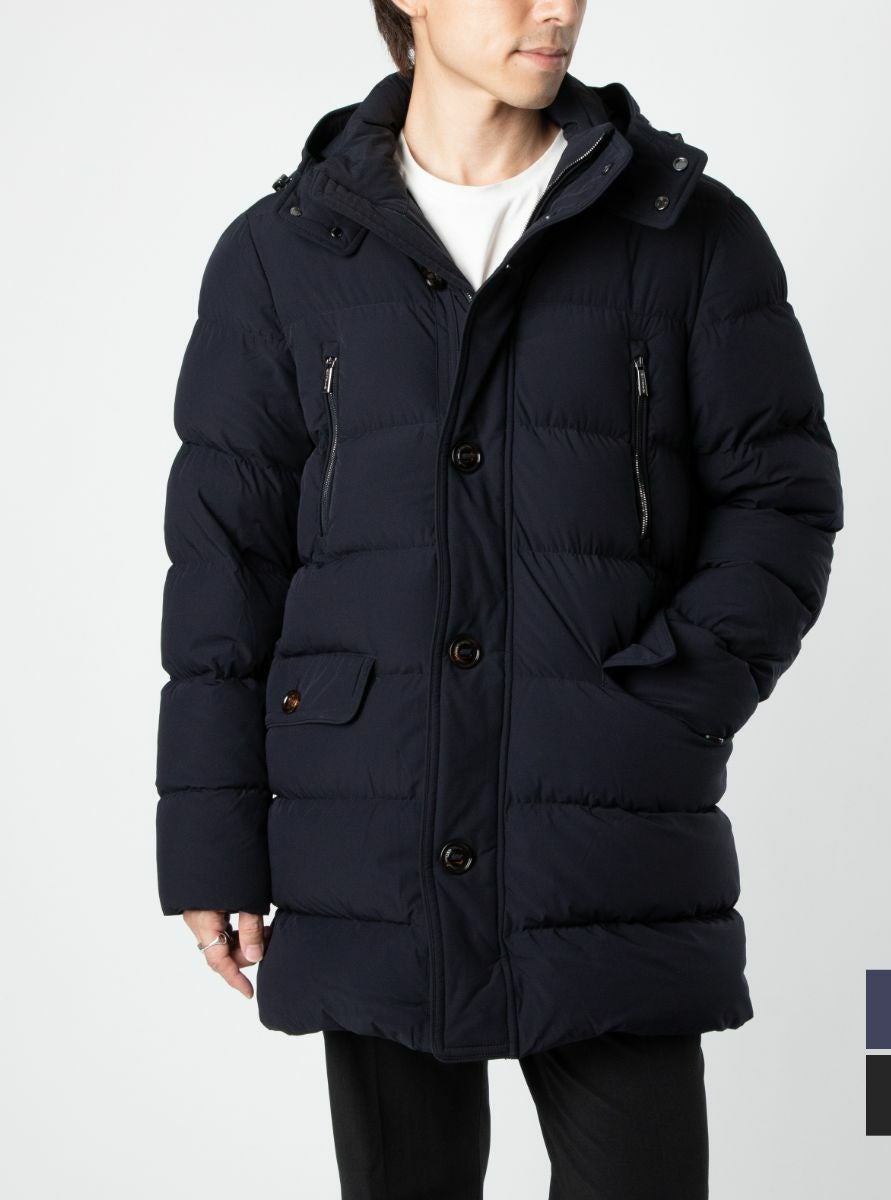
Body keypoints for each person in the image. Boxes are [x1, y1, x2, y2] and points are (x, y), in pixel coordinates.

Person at [154, 1, 845, 1196]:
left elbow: (780, 498)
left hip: (604, 836)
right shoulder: (284, 255)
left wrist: (666, 704)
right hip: (370, 828)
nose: (557, 7)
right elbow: (226, 564)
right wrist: (210, 843)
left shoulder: (687, 235)